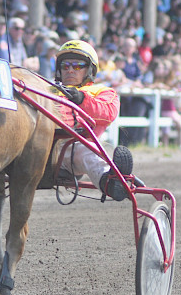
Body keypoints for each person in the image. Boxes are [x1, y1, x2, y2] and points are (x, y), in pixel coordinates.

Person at [53, 39, 134, 201]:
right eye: (65, 66)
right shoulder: (46, 89)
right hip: (39, 145)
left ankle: (110, 182)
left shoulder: (101, 91)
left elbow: (108, 112)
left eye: (76, 66)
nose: (69, 70)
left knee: (86, 151)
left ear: (89, 70)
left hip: (71, 149)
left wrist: (82, 99)